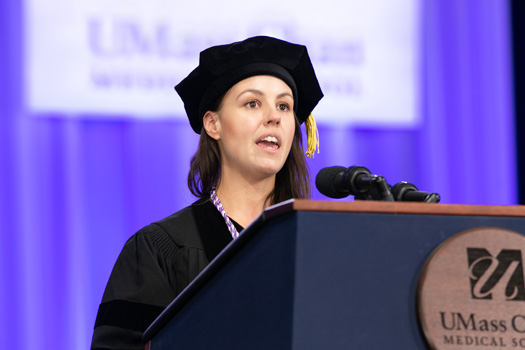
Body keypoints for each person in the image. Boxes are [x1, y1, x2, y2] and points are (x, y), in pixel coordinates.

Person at [90, 35, 324, 350]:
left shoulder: (317, 249)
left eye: (284, 105)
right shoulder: (160, 251)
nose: (274, 117)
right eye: (252, 103)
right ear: (213, 124)